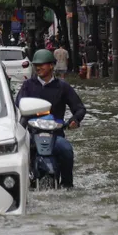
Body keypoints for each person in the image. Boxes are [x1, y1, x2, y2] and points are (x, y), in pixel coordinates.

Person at [16, 48, 86, 188]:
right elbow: (18, 105)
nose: (38, 67)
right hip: (31, 134)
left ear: (52, 66)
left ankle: (67, 184)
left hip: (55, 135)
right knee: (19, 154)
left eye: (42, 64)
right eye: (36, 65)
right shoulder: (28, 86)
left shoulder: (63, 87)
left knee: (66, 150)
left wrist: (74, 120)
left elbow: (80, 108)